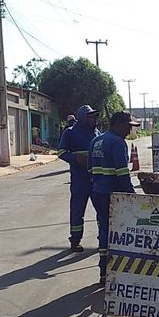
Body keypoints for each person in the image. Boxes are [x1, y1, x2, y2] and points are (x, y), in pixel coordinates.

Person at [88, 111, 140, 285]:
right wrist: (133, 197)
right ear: (118, 124)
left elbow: (90, 170)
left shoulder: (96, 141)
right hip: (114, 195)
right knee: (121, 232)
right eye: (127, 127)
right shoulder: (118, 143)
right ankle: (119, 271)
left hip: (97, 193)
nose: (129, 131)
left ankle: (104, 271)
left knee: (104, 229)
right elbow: (123, 175)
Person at [57, 105, 100, 252]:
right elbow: (61, 152)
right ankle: (75, 240)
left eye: (94, 116)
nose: (93, 119)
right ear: (82, 117)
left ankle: (104, 240)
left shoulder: (97, 133)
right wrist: (75, 158)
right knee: (77, 211)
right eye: (90, 116)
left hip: (96, 180)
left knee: (102, 211)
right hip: (79, 180)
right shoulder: (70, 133)